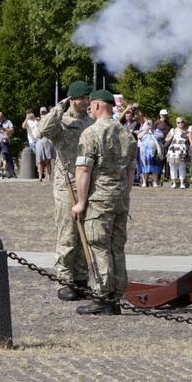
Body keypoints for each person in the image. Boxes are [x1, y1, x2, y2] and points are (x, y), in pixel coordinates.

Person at [72, 89, 137, 315]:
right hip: (120, 199)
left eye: (91, 106)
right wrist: (123, 194)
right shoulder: (127, 134)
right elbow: (130, 172)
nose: (89, 109)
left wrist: (80, 202)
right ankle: (116, 296)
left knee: (99, 246)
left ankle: (102, 297)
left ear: (99, 106)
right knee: (116, 248)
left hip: (99, 199)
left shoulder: (91, 133)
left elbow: (83, 169)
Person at [39, 81, 95, 301]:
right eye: (83, 98)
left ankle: (81, 280)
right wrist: (59, 107)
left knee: (85, 235)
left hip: (86, 184)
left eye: (88, 98)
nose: (87, 101)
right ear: (73, 99)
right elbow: (43, 129)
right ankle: (64, 280)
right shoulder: (60, 123)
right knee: (68, 234)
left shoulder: (89, 122)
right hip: (66, 186)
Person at [165, 117, 190, 189]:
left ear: (184, 123)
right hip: (173, 151)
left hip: (182, 152)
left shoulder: (187, 132)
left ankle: (182, 183)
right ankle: (174, 183)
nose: (180, 124)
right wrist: (170, 137)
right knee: (172, 167)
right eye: (178, 122)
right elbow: (166, 139)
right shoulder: (173, 130)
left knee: (182, 167)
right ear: (176, 123)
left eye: (182, 122)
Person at [34, 107, 55, 182]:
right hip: (39, 141)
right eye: (42, 113)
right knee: (39, 161)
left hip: (47, 141)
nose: (43, 114)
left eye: (44, 112)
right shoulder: (37, 122)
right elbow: (37, 134)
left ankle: (48, 176)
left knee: (48, 161)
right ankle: (40, 177)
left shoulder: (49, 121)